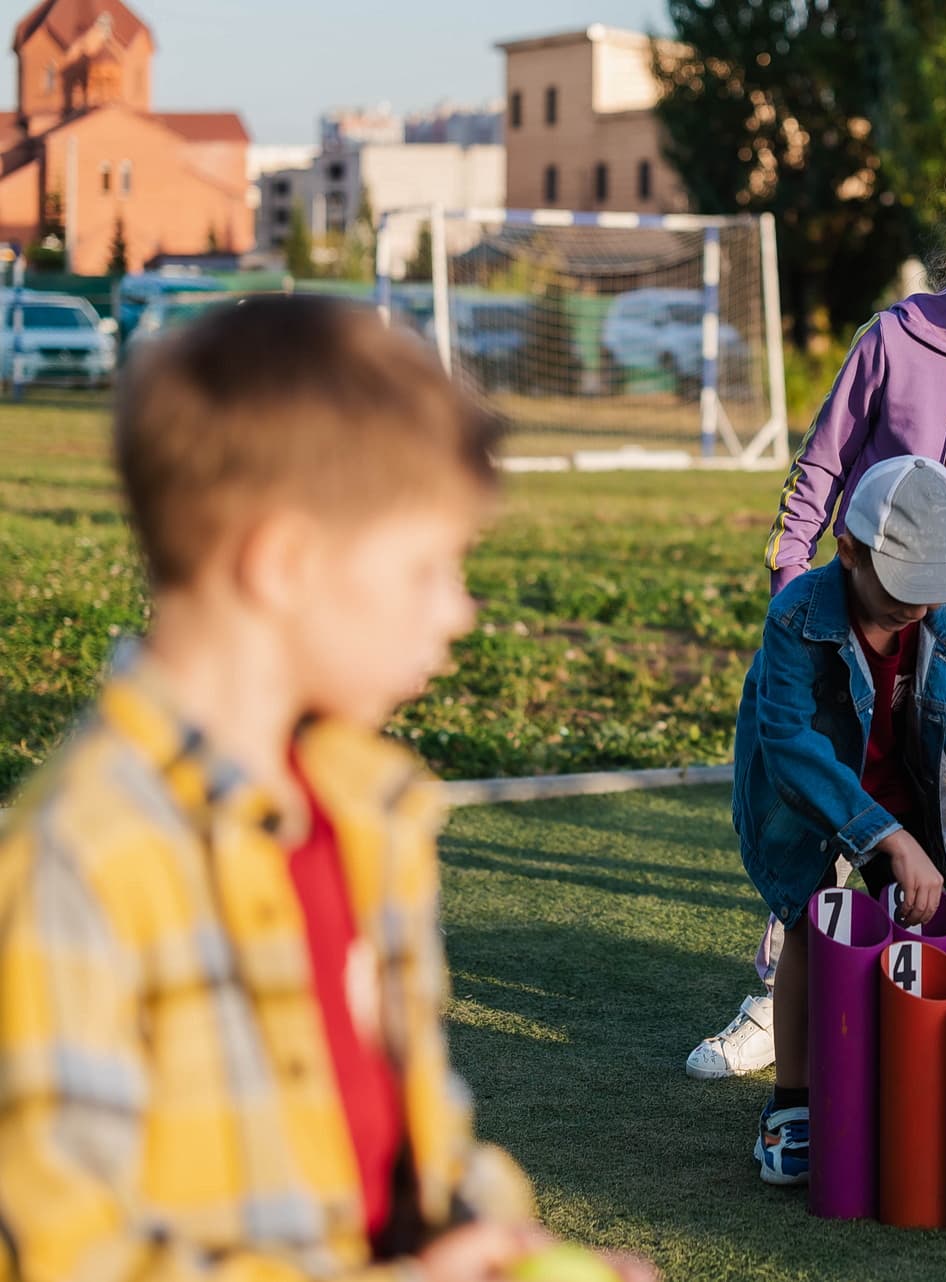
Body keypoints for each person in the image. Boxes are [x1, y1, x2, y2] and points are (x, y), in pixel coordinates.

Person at [0, 297, 654, 1282]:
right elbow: (71, 1254)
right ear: (285, 562)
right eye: (428, 567)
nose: (460, 611)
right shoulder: (76, 862)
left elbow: (410, 1130)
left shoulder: (367, 809)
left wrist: (493, 1236)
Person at [688, 170, 946, 1078]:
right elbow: (823, 458)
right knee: (824, 799)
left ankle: (928, 1000)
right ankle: (777, 999)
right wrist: (795, 577)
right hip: (854, 600)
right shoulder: (895, 337)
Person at [732, 455, 946, 1184]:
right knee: (811, 925)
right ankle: (791, 1106)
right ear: (848, 551)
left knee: (916, 915)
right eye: (897, 593)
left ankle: (889, 1079)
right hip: (802, 788)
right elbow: (790, 744)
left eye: (927, 593)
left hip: (895, 782)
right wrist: (887, 838)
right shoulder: (796, 618)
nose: (913, 610)